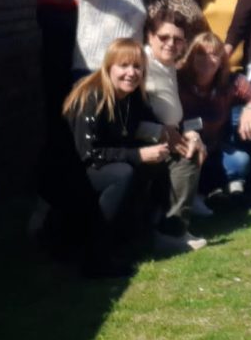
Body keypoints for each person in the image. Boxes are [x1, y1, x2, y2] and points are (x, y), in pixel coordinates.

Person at [62, 38, 201, 255]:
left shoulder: (133, 96)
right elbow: (87, 154)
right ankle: (99, 251)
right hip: (76, 171)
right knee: (123, 173)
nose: (131, 73)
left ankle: (169, 230)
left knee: (182, 155)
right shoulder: (91, 96)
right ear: (109, 67)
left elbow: (156, 125)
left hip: (114, 159)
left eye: (137, 67)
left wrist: (187, 137)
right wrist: (138, 155)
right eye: (123, 65)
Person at [142, 11, 208, 250]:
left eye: (178, 39)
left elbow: (174, 115)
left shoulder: (168, 66)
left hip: (166, 135)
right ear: (150, 36)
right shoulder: (140, 65)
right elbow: (125, 118)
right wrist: (161, 132)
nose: (171, 43)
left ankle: (170, 222)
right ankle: (171, 231)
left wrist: (190, 132)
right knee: (186, 157)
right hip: (140, 143)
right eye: (164, 37)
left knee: (194, 146)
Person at [179, 32, 251, 203]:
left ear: (221, 61)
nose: (207, 59)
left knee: (241, 162)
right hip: (183, 148)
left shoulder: (230, 82)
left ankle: (210, 189)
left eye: (213, 54)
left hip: (213, 149)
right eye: (201, 54)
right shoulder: (179, 80)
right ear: (191, 56)